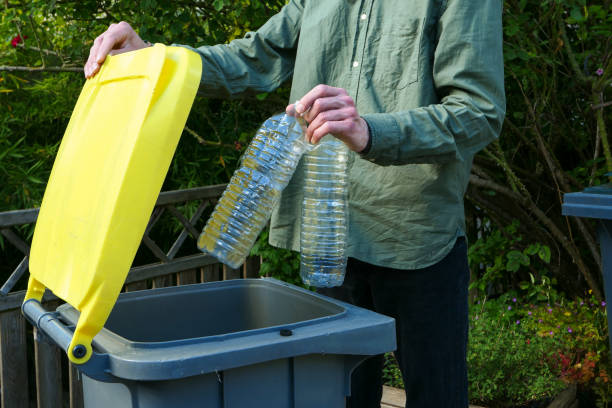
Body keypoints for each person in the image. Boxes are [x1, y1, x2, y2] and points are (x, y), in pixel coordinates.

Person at [85, 1, 505, 407]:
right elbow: (256, 57)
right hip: (329, 238)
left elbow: (478, 112)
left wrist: (371, 131)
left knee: (437, 397)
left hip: (415, 236)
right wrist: (154, 58)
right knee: (338, 398)